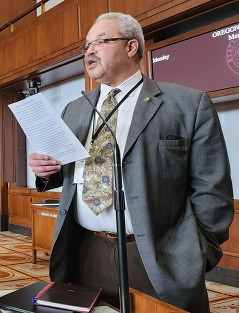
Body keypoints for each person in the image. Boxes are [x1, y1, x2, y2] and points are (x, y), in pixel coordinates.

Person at [29, 12, 234, 313]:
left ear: (131, 47)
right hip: (85, 250)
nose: (90, 51)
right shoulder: (75, 109)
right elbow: (70, 171)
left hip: (157, 254)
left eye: (101, 42)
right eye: (86, 46)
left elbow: (213, 191)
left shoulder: (187, 104)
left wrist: (195, 254)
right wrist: (47, 170)